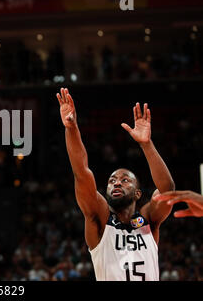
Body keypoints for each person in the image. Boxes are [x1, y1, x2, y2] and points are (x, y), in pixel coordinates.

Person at [56, 87, 175, 281]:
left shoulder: (148, 221)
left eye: (125, 180)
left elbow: (168, 191)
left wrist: (146, 144)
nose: (116, 183)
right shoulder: (100, 221)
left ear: (138, 193)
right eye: (112, 181)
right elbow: (82, 173)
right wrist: (71, 129)